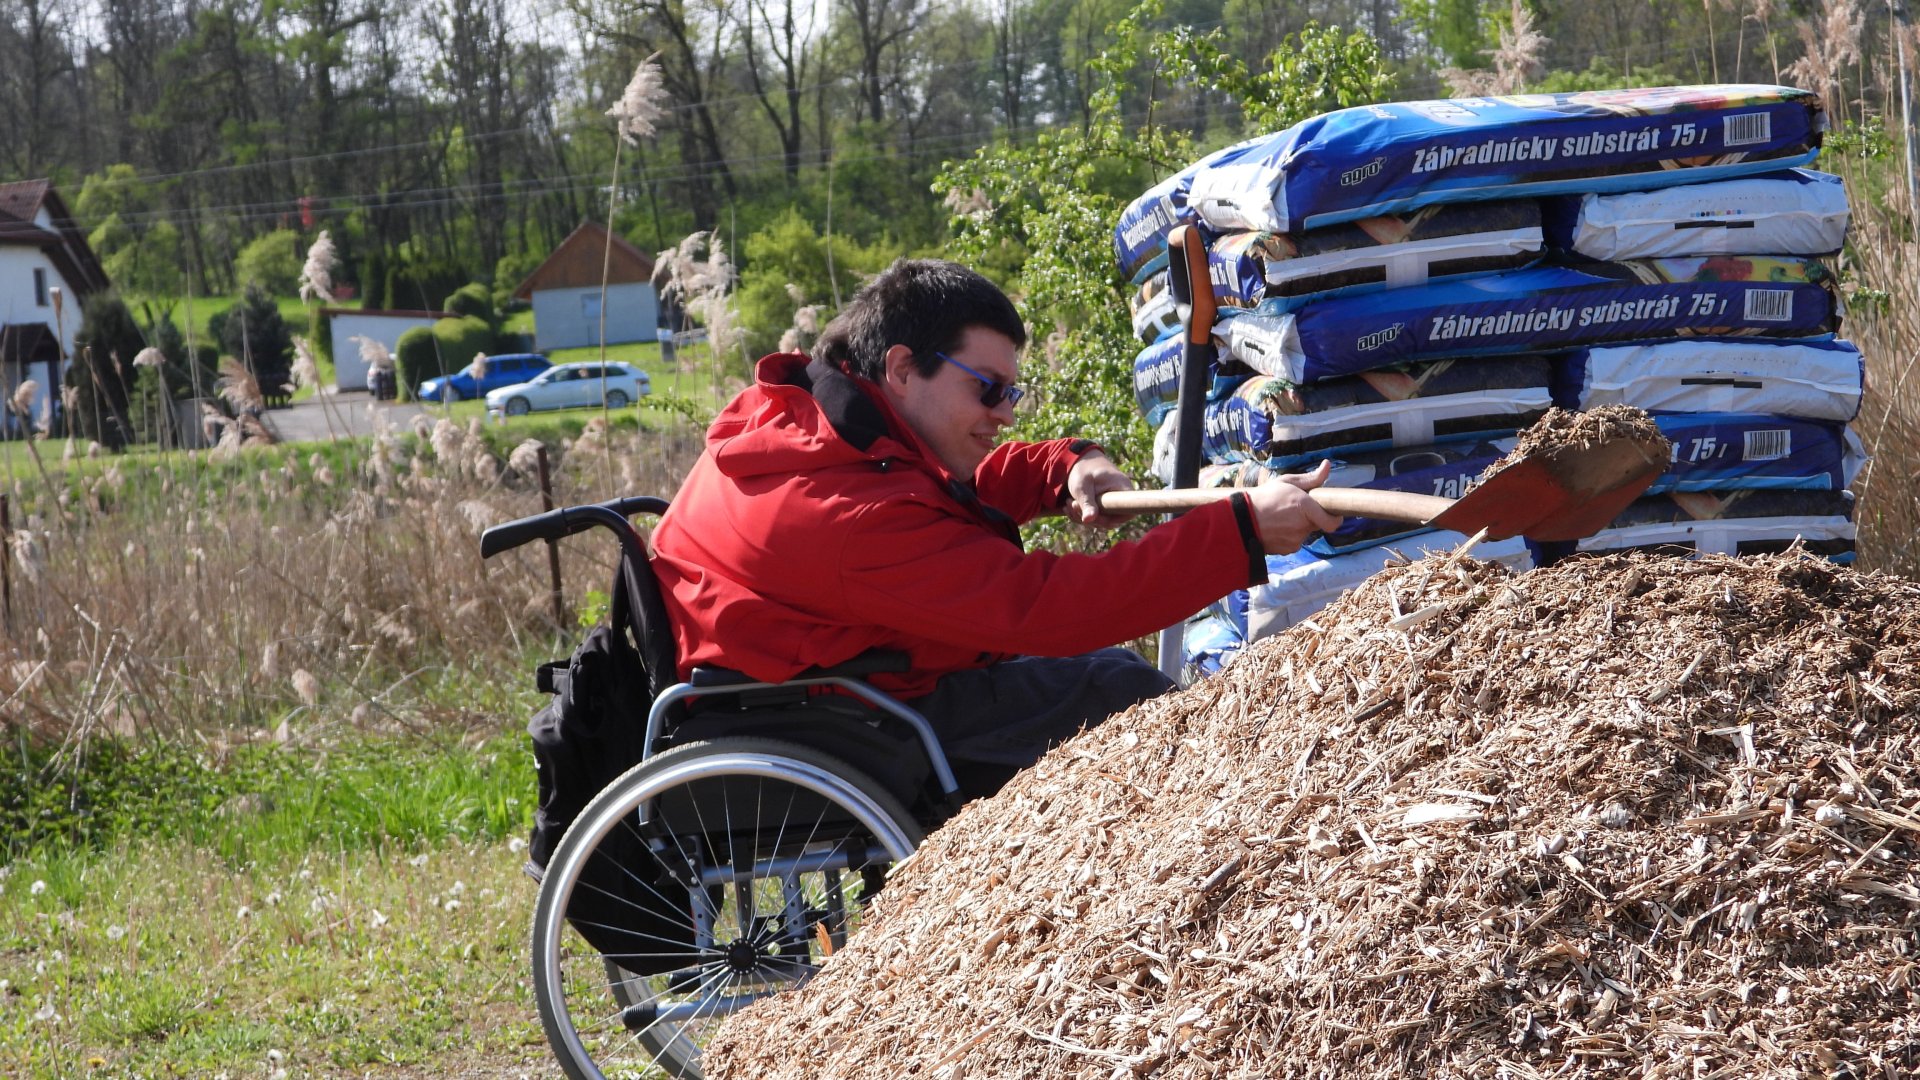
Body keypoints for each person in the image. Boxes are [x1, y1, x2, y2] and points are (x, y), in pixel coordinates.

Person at [649, 259, 1342, 799]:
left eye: (1009, 392)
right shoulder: (850, 519)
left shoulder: (813, 428)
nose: (1004, 412)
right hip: (837, 717)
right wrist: (1241, 533)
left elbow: (936, 497)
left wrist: (1064, 467)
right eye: (986, 387)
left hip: (807, 684)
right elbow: (1049, 610)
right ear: (900, 368)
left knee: (1106, 676)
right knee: (1118, 690)